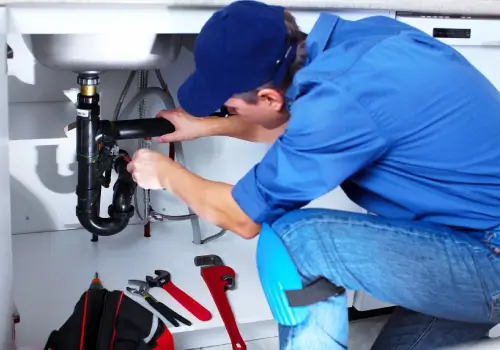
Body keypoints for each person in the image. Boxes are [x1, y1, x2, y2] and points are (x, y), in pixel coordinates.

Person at [125, 1, 500, 349]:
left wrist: (166, 173)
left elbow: (242, 218)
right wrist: (200, 127)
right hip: (460, 241)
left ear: (269, 97)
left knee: (296, 241)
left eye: (229, 107)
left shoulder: (337, 102)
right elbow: (294, 122)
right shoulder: (363, 43)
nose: (226, 112)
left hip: (488, 257)